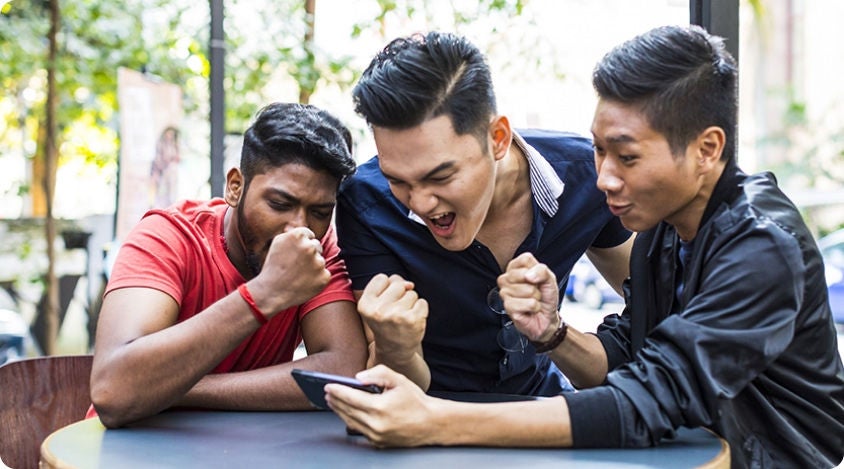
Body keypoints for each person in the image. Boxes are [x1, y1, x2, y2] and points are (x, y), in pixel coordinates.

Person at [325, 25, 844, 468]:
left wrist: (435, 420)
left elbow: (647, 400)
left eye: (627, 157)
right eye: (598, 150)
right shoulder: (663, 230)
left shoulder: (761, 244)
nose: (602, 178)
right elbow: (629, 358)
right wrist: (552, 333)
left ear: (707, 150)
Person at [335, 31, 633, 397]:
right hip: (429, 424)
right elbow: (392, 387)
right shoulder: (366, 201)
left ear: (498, 138)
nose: (421, 203)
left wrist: (556, 333)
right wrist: (396, 347)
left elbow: (653, 302)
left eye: (440, 176)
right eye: (397, 180)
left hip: (545, 413)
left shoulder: (585, 177)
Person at [90, 103, 368, 428]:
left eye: (320, 212)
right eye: (279, 204)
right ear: (235, 186)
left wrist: (174, 388)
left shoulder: (318, 249)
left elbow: (343, 369)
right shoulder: (168, 237)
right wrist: (263, 295)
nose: (300, 228)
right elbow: (113, 392)